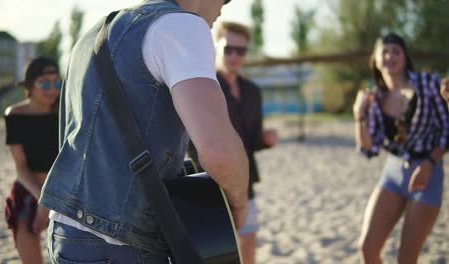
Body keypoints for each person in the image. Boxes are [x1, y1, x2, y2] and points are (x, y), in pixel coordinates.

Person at [38, 0, 249, 263]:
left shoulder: (92, 35)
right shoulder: (182, 25)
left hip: (65, 231)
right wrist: (239, 205)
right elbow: (220, 152)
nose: (224, 7)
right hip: (120, 243)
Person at [187, 21, 277, 264]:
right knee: (216, 251)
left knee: (248, 241)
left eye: (241, 50)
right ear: (216, 46)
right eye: (229, 49)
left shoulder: (252, 91)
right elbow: (191, 140)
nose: (235, 56)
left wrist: (266, 140)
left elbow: (252, 140)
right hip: (208, 182)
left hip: (245, 177)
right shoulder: (201, 85)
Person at [353, 33, 448, 264]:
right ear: (375, 60)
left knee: (406, 257)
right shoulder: (374, 99)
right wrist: (359, 116)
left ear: (405, 58)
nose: (390, 56)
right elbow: (369, 148)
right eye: (384, 51)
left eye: (396, 51)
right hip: (393, 173)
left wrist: (429, 164)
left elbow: (447, 130)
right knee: (367, 248)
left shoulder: (427, 85)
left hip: (427, 172)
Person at [4, 57, 61, 263]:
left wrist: (49, 201)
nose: (52, 88)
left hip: (64, 192)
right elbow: (21, 168)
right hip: (29, 191)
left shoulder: (64, 111)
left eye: (57, 82)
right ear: (29, 85)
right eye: (45, 82)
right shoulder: (15, 115)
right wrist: (42, 201)